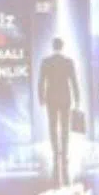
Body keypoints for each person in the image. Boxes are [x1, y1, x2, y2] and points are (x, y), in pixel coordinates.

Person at [37, 37, 80, 186]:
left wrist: (41, 98)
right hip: (65, 97)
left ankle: (56, 152)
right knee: (65, 126)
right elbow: (74, 81)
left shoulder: (46, 62)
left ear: (53, 46)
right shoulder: (68, 62)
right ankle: (65, 152)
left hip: (51, 98)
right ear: (62, 47)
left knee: (52, 126)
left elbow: (41, 81)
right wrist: (78, 98)